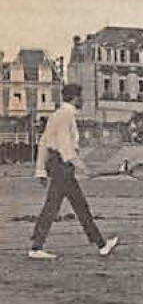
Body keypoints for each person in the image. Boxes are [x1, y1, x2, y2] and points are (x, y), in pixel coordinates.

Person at [27, 83, 118, 261]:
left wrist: (40, 170)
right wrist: (86, 169)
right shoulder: (66, 116)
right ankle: (100, 244)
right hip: (62, 166)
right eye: (81, 96)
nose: (83, 100)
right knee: (70, 206)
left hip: (57, 165)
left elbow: (44, 143)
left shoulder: (58, 115)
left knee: (67, 206)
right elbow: (66, 150)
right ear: (75, 98)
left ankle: (99, 244)